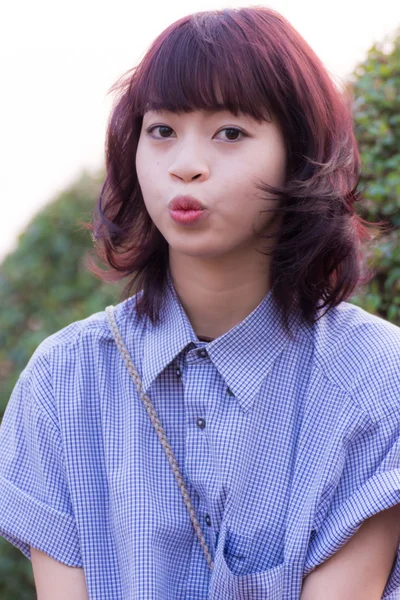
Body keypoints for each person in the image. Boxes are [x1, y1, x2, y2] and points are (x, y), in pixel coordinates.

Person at [0, 6, 399, 600]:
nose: (185, 166)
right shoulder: (64, 384)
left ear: (300, 153)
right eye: (161, 131)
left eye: (230, 133)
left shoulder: (376, 377)